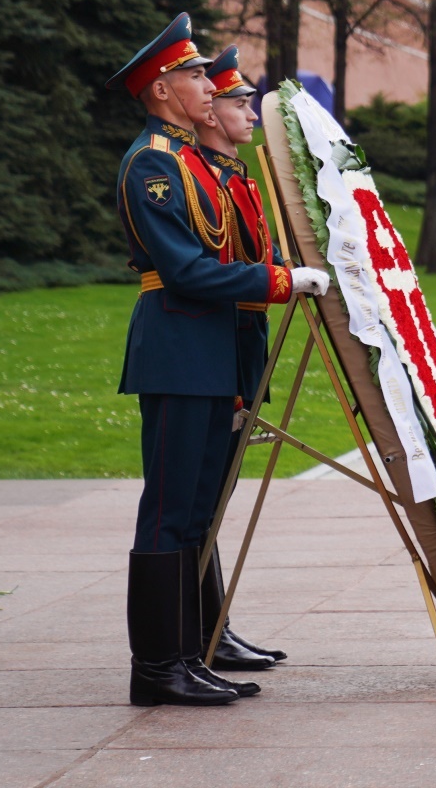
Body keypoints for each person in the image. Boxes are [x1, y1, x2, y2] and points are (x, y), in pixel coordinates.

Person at [108, 14, 328, 708]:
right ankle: (157, 667)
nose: (209, 86)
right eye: (196, 75)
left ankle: (188, 653)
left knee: (196, 509)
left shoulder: (191, 162)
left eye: (206, 74)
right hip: (177, 348)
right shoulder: (152, 165)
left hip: (207, 352)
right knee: (170, 512)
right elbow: (188, 272)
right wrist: (281, 282)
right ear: (163, 90)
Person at [193, 46, 291, 673]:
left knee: (212, 504)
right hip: (214, 346)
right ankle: (203, 635)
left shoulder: (237, 178)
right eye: (237, 102)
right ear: (209, 117)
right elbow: (222, 271)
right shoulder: (196, 174)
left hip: (241, 348)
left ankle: (213, 630)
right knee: (199, 505)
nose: (249, 112)